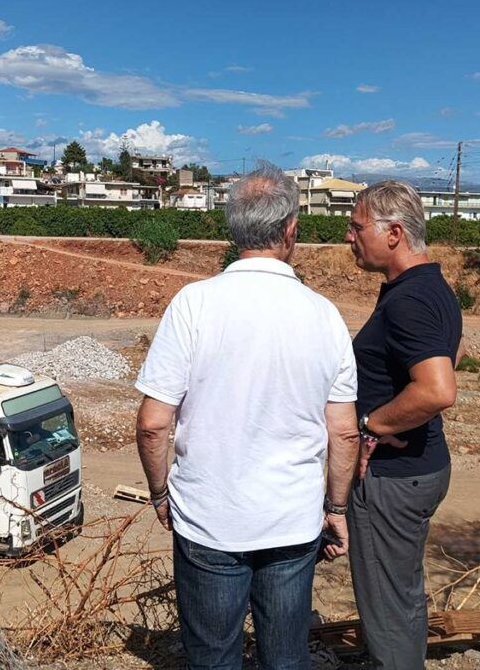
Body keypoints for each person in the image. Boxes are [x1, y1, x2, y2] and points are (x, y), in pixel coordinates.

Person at [135, 163, 359, 670]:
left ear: (233, 230)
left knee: (213, 657)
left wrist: (158, 492)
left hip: (209, 519)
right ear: (290, 230)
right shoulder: (324, 315)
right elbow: (344, 432)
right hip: (291, 522)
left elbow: (152, 423)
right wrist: (337, 510)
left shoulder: (193, 304)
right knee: (285, 656)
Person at [344, 181, 462, 670]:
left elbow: (437, 389)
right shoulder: (431, 288)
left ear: (393, 233)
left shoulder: (409, 300)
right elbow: (450, 355)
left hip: (392, 478)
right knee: (401, 595)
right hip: (420, 467)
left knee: (388, 609)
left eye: (355, 228)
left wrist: (370, 424)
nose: (348, 238)